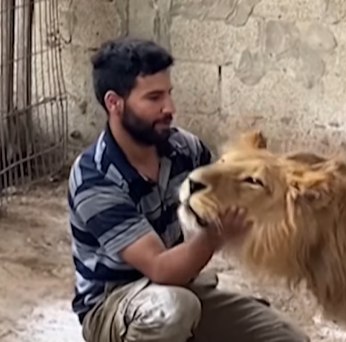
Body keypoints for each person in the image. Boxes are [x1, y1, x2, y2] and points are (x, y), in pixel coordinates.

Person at [66, 37, 310, 342]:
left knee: (286, 337)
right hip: (115, 308)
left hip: (181, 291)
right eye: (154, 98)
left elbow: (228, 186)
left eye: (169, 94)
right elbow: (160, 268)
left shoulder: (183, 147)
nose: (170, 108)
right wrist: (216, 235)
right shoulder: (94, 176)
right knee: (172, 311)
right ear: (114, 103)